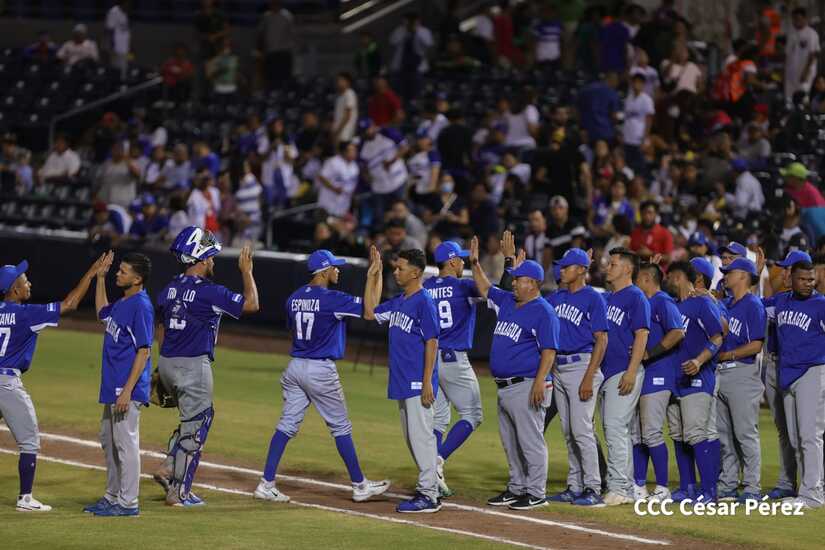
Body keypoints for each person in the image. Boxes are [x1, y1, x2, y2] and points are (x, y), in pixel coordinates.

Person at [255, 250, 390, 503]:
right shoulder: (332, 299)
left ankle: (266, 483)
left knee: (286, 425)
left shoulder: (294, 298)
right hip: (320, 370)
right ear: (324, 271)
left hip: (295, 367)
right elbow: (370, 311)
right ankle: (360, 485)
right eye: (335, 267)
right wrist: (374, 276)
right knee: (341, 427)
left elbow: (293, 329)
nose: (338, 271)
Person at [152, 228, 260, 506]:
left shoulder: (169, 288)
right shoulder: (209, 292)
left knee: (193, 420)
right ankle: (178, 492)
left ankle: (168, 466)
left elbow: (160, 325)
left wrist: (162, 364)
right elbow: (251, 304)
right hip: (193, 366)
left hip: (167, 360)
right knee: (196, 428)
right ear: (200, 259)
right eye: (210, 256)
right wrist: (247, 272)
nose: (212, 261)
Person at [0, 254, 109, 512]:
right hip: (7, 383)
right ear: (14, 289)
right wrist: (91, 273)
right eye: (24, 280)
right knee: (29, 441)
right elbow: (70, 303)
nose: (29, 284)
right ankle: (25, 498)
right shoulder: (26, 314)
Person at [469, 237, 559, 511]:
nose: (514, 282)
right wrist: (474, 263)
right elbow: (485, 288)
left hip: (528, 384)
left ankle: (536, 492)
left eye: (519, 279)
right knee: (510, 442)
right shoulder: (508, 301)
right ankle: (517, 487)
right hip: (505, 386)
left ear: (533, 283)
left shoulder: (544, 312)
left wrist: (540, 381)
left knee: (530, 441)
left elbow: (549, 352)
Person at [364, 247, 441, 513]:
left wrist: (428, 381)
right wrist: (372, 276)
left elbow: (432, 341)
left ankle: (429, 495)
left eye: (401, 268)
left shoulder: (424, 301)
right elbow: (370, 313)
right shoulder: (399, 301)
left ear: (416, 273)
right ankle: (432, 485)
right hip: (402, 379)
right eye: (395, 267)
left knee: (422, 438)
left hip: (417, 381)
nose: (396, 271)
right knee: (412, 438)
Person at [85, 252, 153, 517]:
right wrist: (100, 279)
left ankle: (128, 502)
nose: (118, 273)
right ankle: (112, 496)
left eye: (123, 271)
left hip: (126, 388)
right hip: (113, 384)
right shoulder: (124, 302)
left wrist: (127, 390)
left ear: (137, 279)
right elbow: (102, 314)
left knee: (126, 444)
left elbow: (144, 350)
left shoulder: (141, 306)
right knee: (109, 441)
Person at [546, 249, 608, 507]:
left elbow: (601, 340)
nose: (561, 270)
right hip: (559, 369)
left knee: (582, 430)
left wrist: (589, 377)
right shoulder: (556, 297)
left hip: (582, 366)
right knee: (568, 431)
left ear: (582, 269)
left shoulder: (593, 298)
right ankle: (574, 486)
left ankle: (593, 487)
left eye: (567, 266)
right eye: (561, 266)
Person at [423, 242, 484, 497]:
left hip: (429, 359)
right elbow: (491, 291)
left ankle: (431, 475)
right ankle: (437, 460)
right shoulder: (463, 286)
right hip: (453, 359)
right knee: (473, 414)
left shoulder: (425, 287)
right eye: (460, 259)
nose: (463, 262)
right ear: (451, 261)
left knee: (438, 419)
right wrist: (480, 264)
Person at [664, 260, 724, 503]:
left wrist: (699, 361)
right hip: (674, 379)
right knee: (678, 434)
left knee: (696, 433)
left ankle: (709, 491)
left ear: (679, 277)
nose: (667, 281)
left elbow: (718, 337)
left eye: (669, 276)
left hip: (698, 377)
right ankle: (687, 487)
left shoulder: (702, 303)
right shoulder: (672, 306)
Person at [631, 262, 684, 503]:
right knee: (638, 433)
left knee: (651, 431)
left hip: (660, 373)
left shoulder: (663, 301)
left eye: (636, 279)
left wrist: (650, 354)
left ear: (646, 278)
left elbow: (677, 331)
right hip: (644, 372)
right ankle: (639, 485)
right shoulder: (643, 302)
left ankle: (663, 488)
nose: (634, 283)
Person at [601, 247, 650, 505]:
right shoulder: (609, 298)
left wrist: (632, 370)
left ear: (628, 269)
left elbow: (642, 334)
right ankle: (626, 487)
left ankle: (619, 487)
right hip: (608, 372)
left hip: (623, 370)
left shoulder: (635, 297)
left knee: (615, 428)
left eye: (613, 264)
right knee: (619, 430)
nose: (608, 267)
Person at [774, 261, 825, 509]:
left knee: (810, 435)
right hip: (788, 374)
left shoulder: (821, 304)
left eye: (811, 279)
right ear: (791, 279)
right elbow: (752, 305)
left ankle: (812, 493)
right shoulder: (780, 301)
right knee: (795, 438)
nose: (808, 284)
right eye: (803, 279)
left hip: (813, 371)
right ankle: (809, 488)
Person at [715, 258, 765, 503]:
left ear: (744, 275)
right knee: (724, 435)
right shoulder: (726, 304)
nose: (725, 275)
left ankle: (752, 487)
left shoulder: (753, 305)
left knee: (745, 433)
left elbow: (756, 344)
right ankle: (728, 484)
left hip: (742, 373)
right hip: (720, 373)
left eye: (730, 272)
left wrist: (728, 355)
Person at [762, 250, 811, 501]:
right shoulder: (779, 300)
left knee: (806, 431)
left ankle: (811, 485)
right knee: (784, 429)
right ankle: (787, 482)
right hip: (774, 365)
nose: (782, 274)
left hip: (803, 370)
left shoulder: (815, 303)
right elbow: (754, 308)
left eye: (787, 269)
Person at [359, 120, 408, 225]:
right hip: (380, 187)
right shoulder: (362, 145)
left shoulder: (387, 133)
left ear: (373, 126)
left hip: (398, 180)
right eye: (364, 131)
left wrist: (391, 161)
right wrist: (368, 178)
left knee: (401, 211)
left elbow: (404, 147)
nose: (368, 132)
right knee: (381, 217)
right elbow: (362, 168)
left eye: (369, 128)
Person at [389, 13, 434, 102]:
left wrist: (416, 32)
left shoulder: (423, 31)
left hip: (418, 67)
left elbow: (428, 44)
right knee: (400, 91)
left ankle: (415, 103)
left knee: (416, 91)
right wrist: (406, 32)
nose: (409, 23)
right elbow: (392, 41)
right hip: (401, 67)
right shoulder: (400, 30)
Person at [256, 0, 296, 90]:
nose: (273, 4)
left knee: (283, 80)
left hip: (284, 53)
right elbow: (261, 34)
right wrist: (260, 50)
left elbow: (292, 35)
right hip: (270, 53)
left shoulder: (287, 16)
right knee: (270, 79)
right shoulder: (266, 16)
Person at [784, 7, 820, 101]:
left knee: (802, 99)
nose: (796, 22)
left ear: (804, 19)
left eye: (798, 19)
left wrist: (806, 72)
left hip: (804, 74)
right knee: (790, 100)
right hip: (791, 74)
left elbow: (813, 54)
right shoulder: (791, 34)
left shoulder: (811, 34)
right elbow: (787, 54)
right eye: (794, 19)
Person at [622, 74, 655, 176]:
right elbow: (626, 118)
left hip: (639, 138)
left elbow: (649, 120)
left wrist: (645, 139)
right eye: (635, 82)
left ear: (643, 84)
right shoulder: (628, 98)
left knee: (641, 167)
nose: (636, 84)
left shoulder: (647, 99)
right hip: (628, 138)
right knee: (629, 166)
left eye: (639, 82)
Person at [317, 141, 359, 218]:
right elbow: (321, 177)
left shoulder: (354, 166)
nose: (354, 153)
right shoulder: (333, 162)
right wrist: (333, 188)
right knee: (325, 223)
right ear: (344, 152)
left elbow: (352, 184)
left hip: (343, 204)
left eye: (355, 150)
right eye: (351, 150)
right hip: (328, 202)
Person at [578, 72, 621, 144]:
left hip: (588, 131)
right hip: (605, 131)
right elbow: (614, 116)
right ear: (613, 80)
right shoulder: (612, 93)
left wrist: (581, 127)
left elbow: (575, 109)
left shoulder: (586, 89)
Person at [105, 1, 130, 79]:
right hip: (116, 47)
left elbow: (125, 31)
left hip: (124, 47)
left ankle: (122, 84)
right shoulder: (113, 11)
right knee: (115, 70)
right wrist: (111, 45)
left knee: (124, 69)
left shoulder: (124, 13)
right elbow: (109, 29)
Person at [332, 73, 358, 147]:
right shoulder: (339, 96)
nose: (339, 83)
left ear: (348, 82)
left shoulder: (350, 93)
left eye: (342, 80)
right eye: (338, 81)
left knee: (344, 148)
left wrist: (339, 130)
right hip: (338, 128)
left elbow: (348, 115)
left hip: (346, 129)